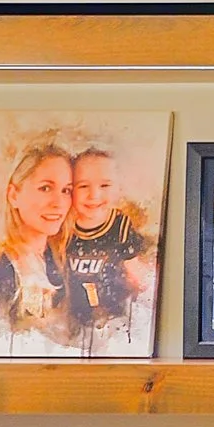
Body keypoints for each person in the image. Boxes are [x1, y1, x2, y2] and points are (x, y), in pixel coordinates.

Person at [0, 140, 74, 346]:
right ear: (14, 195)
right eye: (45, 188)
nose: (58, 203)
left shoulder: (63, 263)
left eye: (66, 190)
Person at [61, 145, 152, 349]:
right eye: (83, 186)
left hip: (114, 316)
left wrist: (146, 291)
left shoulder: (120, 226)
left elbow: (136, 272)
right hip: (74, 317)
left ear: (118, 189)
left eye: (104, 185)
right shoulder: (62, 227)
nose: (94, 195)